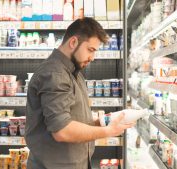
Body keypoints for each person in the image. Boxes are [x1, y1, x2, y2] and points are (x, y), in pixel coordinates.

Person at [25, 17, 134, 169]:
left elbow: (73, 119)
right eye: (90, 50)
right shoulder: (55, 74)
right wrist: (107, 131)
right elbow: (61, 130)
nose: (92, 58)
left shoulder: (74, 73)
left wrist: (100, 122)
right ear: (73, 42)